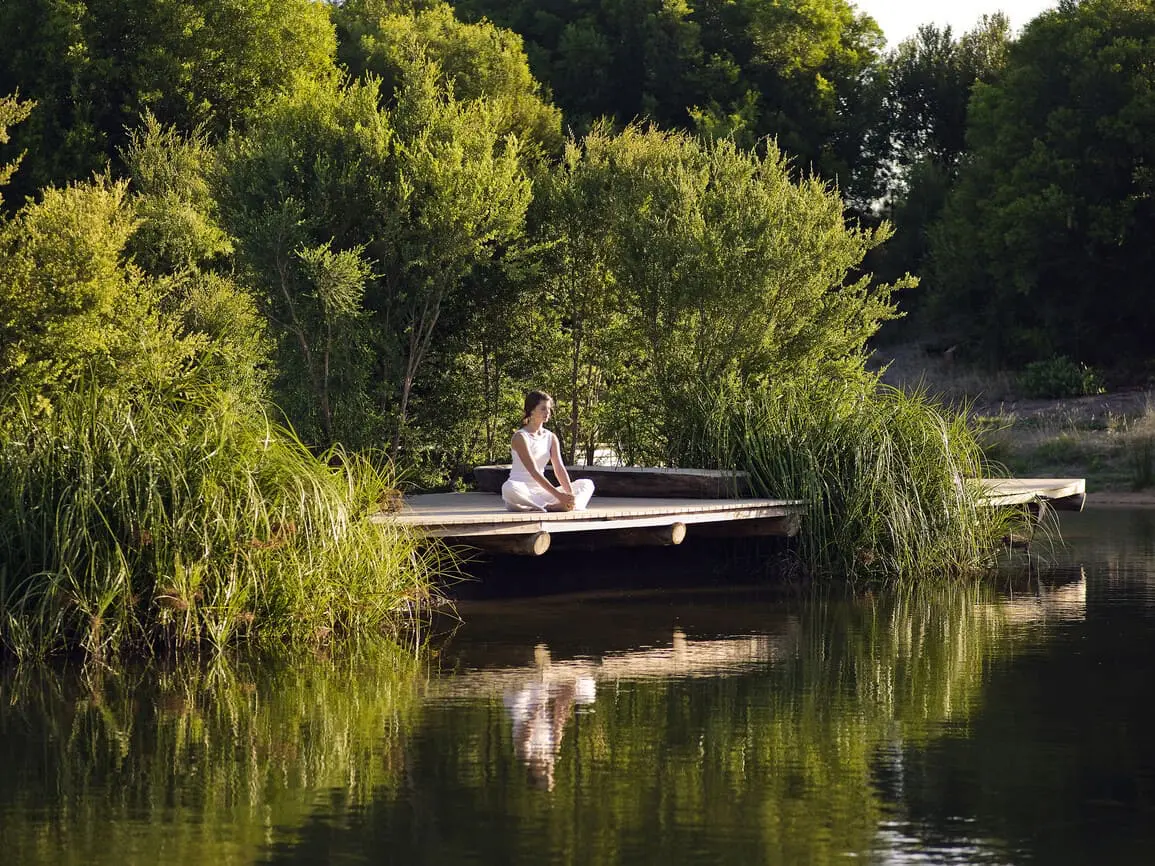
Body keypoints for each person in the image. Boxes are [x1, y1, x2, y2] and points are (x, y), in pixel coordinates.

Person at [501, 390, 595, 513]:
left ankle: (570, 506)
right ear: (532, 410)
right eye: (543, 409)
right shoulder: (520, 437)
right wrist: (559, 496)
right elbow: (534, 472)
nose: (548, 413)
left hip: (542, 492)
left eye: (549, 409)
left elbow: (559, 468)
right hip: (522, 491)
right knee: (508, 487)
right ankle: (548, 507)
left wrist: (569, 495)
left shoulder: (551, 437)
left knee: (586, 484)